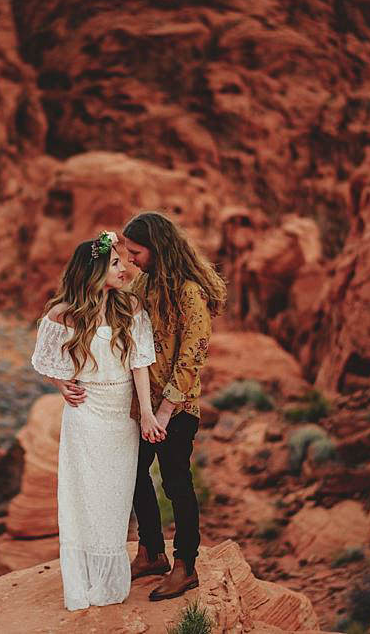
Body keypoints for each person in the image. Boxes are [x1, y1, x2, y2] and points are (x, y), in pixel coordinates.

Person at [30, 231, 166, 611]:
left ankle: (108, 581)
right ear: (92, 272)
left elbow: (141, 364)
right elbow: (44, 359)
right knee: (83, 497)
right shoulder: (63, 313)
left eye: (124, 262)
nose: (125, 270)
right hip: (85, 415)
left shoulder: (131, 310)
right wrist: (61, 385)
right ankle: (83, 581)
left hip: (120, 415)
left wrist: (146, 414)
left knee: (114, 498)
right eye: (116, 264)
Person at [122, 212, 227, 601]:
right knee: (131, 474)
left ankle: (186, 566)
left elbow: (193, 355)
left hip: (177, 410)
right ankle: (151, 552)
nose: (131, 259)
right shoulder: (143, 286)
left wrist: (164, 412)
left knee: (176, 483)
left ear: (157, 248)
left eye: (136, 252)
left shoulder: (188, 291)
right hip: (144, 407)